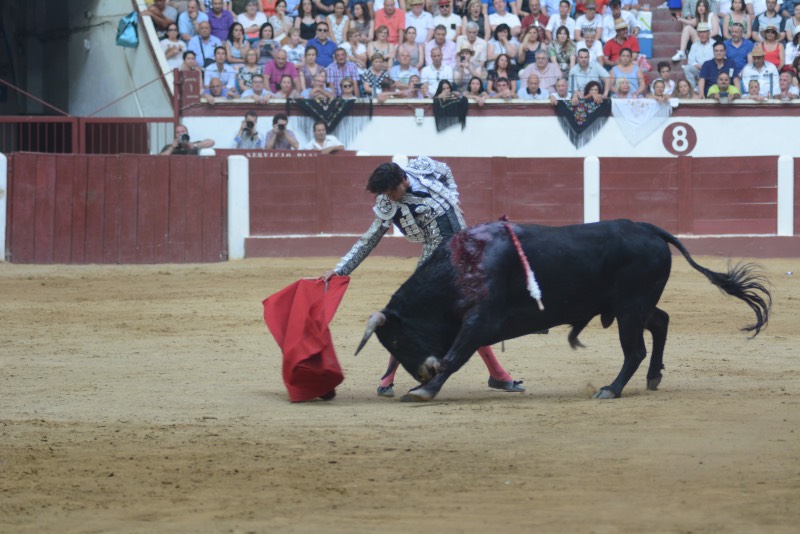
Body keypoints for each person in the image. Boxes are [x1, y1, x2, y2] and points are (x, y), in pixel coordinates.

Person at [320, 157, 525, 397]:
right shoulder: (387, 203)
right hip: (434, 261)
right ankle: (387, 378)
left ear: (404, 180)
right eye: (385, 193)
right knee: (417, 317)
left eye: (391, 191)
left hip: (464, 252)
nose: (389, 197)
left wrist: (453, 197)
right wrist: (341, 269)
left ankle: (498, 374)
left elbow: (446, 171)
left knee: (471, 312)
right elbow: (370, 239)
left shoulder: (422, 168)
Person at [682, 22, 715, 93]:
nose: (702, 34)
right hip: (698, 69)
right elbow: (690, 61)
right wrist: (698, 66)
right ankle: (693, 90)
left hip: (711, 70)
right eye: (700, 32)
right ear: (697, 34)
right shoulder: (694, 45)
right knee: (687, 68)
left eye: (704, 32)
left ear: (709, 33)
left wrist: (706, 67)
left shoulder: (714, 44)